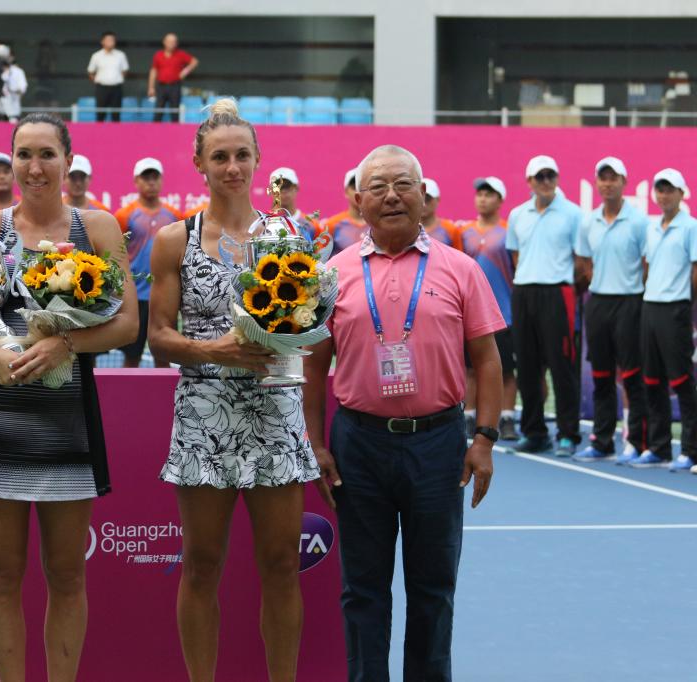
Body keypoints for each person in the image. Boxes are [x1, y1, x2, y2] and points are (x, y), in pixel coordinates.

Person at [303, 144, 503, 682]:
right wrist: (316, 444)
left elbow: (487, 360)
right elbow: (313, 366)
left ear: (424, 195)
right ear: (358, 201)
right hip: (358, 445)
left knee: (433, 588)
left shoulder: (461, 269)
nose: (391, 196)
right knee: (362, 589)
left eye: (403, 185)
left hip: (438, 444)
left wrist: (484, 439)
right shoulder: (332, 274)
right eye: (378, 187)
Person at [0, 112, 138, 682]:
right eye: (24, 154)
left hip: (69, 425)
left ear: (68, 161)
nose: (35, 167)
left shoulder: (97, 228)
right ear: (10, 161)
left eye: (46, 154)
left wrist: (66, 345)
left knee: (67, 575)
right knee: (2, 575)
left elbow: (128, 324)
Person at [149, 98, 318, 682]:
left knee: (281, 564)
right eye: (219, 157)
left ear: (258, 159)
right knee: (201, 565)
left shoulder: (291, 237)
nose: (232, 167)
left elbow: (309, 321)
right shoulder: (175, 239)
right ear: (199, 163)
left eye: (242, 155)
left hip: (276, 412)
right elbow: (159, 337)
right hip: (204, 416)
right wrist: (211, 351)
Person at [573, 157, 650, 464]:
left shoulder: (639, 221)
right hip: (599, 303)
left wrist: (631, 287)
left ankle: (635, 441)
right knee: (602, 374)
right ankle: (602, 441)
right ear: (597, 183)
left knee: (631, 374)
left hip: (630, 302)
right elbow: (584, 261)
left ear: (624, 182)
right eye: (602, 178)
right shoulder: (588, 221)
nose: (607, 184)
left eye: (613, 178)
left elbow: (647, 263)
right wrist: (600, 280)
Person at [507, 155, 583, 457]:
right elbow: (516, 257)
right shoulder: (517, 215)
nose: (546, 181)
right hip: (524, 292)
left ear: (558, 178)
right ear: (529, 181)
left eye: (551, 175)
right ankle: (534, 432)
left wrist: (560, 282)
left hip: (558, 293)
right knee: (527, 366)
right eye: (540, 177)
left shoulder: (573, 213)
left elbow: (581, 261)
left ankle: (567, 434)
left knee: (561, 366)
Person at [634, 168, 697, 470]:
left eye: (670, 189)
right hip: (651, 307)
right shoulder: (651, 227)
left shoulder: (691, 227)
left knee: (682, 380)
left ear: (681, 193)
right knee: (652, 379)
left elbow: (695, 271)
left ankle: (691, 449)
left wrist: (686, 305)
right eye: (660, 189)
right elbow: (648, 267)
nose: (664, 195)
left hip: (676, 309)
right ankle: (659, 447)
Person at [459, 176, 519, 441]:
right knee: (470, 369)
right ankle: (469, 416)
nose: (483, 199)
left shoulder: (508, 231)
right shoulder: (464, 232)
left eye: (489, 194)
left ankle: (507, 418)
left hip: (503, 313)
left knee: (506, 370)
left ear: (500, 200)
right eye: (480, 194)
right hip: (471, 313)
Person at [114, 157, 182, 368]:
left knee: (164, 357)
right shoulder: (124, 215)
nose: (151, 182)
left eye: (155, 177)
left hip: (165, 297)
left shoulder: (175, 216)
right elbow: (116, 255)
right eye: (146, 177)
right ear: (136, 181)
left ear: (161, 180)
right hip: (135, 297)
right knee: (131, 358)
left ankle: (165, 393)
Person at [316, 167, 368, 257]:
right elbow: (320, 259)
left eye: (362, 187)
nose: (358, 192)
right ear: (346, 192)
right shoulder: (332, 225)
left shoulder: (379, 223)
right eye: (354, 188)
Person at [148, 33, 199, 123]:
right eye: (169, 41)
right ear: (164, 42)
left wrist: (185, 71)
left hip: (175, 86)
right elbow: (153, 71)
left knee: (175, 112)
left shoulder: (181, 54)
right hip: (161, 86)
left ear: (176, 43)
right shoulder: (158, 55)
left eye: (173, 42)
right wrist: (151, 87)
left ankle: (175, 131)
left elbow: (194, 61)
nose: (171, 44)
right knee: (158, 112)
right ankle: (154, 131)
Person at [87, 31, 130, 123]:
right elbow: (90, 71)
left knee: (116, 114)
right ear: (102, 41)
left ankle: (117, 132)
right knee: (100, 114)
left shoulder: (121, 55)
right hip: (101, 88)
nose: (111, 42)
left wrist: (117, 79)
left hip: (116, 88)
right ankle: (99, 132)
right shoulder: (96, 56)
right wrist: (97, 81)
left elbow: (125, 70)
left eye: (112, 40)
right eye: (108, 40)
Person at [267, 167, 319, 242]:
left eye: (287, 187)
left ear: (296, 188)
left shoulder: (312, 225)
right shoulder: (264, 224)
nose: (283, 191)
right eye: (278, 187)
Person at [422, 178, 462, 249]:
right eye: (421, 198)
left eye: (428, 199)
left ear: (438, 200)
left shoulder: (451, 230)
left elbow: (458, 255)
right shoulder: (407, 229)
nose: (423, 204)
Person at [0, 53, 29, 124]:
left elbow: (23, 86)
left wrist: (18, 91)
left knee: (13, 118)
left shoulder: (18, 71)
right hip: (0, 102)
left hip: (13, 100)